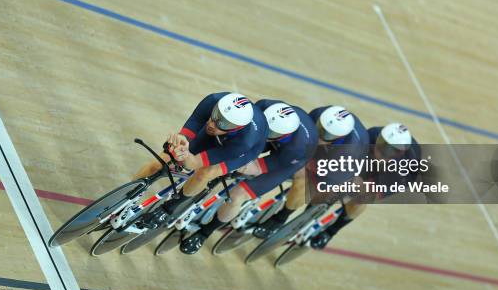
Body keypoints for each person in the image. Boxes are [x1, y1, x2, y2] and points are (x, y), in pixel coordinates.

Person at [178, 99, 319, 254]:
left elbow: (257, 167)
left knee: (237, 195)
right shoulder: (266, 105)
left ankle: (205, 233)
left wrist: (237, 165)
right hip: (266, 138)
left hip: (285, 160)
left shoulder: (298, 147)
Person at [133, 92, 268, 229]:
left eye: (221, 123)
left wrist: (184, 156)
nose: (211, 124)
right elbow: (195, 123)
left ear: (235, 128)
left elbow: (193, 163)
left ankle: (169, 208)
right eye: (214, 115)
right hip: (223, 130)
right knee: (161, 161)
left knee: (205, 173)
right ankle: (129, 195)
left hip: (244, 151)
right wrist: (181, 141)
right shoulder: (214, 100)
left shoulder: (244, 142)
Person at [253, 105, 370, 238]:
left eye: (326, 134)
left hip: (341, 165)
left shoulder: (350, 150)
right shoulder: (320, 113)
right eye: (320, 128)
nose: (319, 135)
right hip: (327, 151)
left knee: (305, 183)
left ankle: (281, 217)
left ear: (339, 137)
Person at [310, 122, 421, 250]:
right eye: (381, 143)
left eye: (386, 150)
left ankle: (331, 232)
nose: (380, 150)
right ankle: (316, 206)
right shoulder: (373, 134)